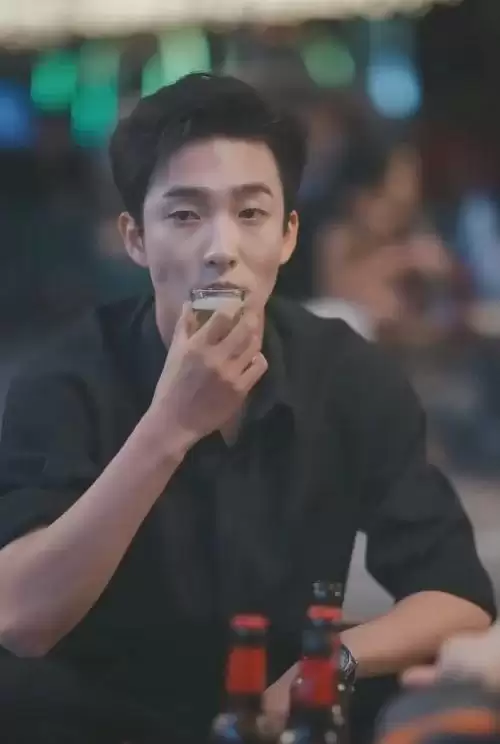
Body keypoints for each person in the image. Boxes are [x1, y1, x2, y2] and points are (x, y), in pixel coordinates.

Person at [0, 73, 495, 744]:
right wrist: (170, 426)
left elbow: (458, 599)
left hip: (285, 715)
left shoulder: (346, 374)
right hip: (95, 721)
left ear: (288, 236)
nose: (221, 250)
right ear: (135, 238)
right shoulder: (64, 381)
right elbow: (22, 618)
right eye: (185, 215)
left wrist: (328, 665)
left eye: (251, 213)